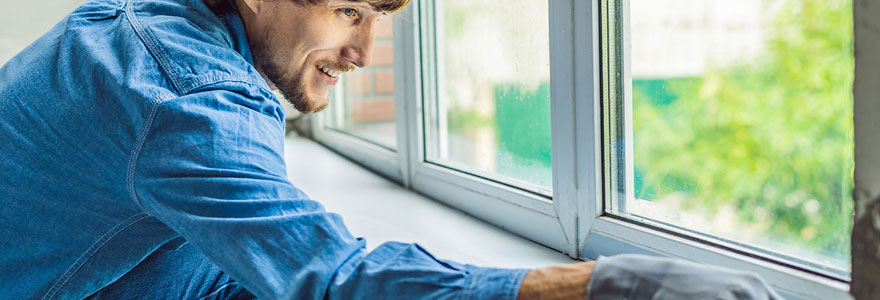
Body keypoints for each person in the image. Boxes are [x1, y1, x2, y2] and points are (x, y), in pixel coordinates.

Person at [0, 0, 782, 299]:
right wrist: (593, 285)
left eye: (377, 15)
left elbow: (222, 258)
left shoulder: (142, 24)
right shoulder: (187, 96)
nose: (364, 52)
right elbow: (330, 281)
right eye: (347, 11)